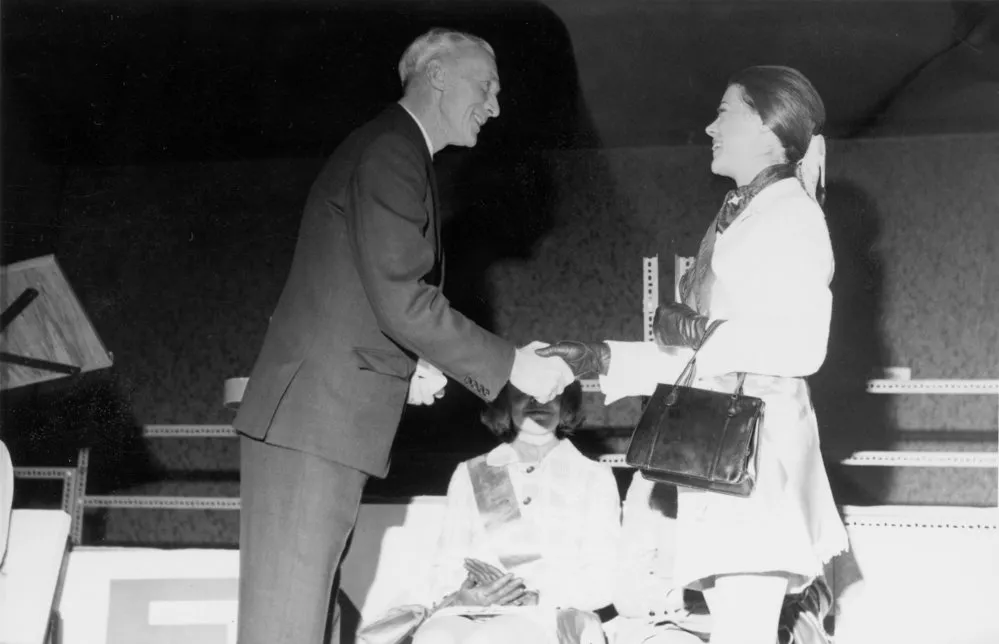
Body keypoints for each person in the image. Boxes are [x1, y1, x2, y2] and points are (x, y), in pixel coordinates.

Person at [233, 29, 574, 644]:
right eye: (486, 87)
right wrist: (513, 367)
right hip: (313, 426)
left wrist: (405, 368)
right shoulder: (394, 150)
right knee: (287, 629)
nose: (495, 106)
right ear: (438, 74)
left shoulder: (392, 150)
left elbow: (361, 290)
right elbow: (400, 294)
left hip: (320, 424)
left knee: (308, 625)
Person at [538, 66, 849, 644]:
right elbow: (698, 358)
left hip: (759, 468)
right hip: (721, 459)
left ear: (766, 127)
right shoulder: (737, 216)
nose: (709, 126)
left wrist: (703, 329)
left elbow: (804, 345)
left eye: (724, 112)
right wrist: (600, 359)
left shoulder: (794, 216)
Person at [409, 381, 621, 644]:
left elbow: (605, 577)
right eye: (523, 394)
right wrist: (464, 596)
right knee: (433, 637)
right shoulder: (469, 473)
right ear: (504, 404)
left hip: (553, 613)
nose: (537, 402)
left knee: (495, 638)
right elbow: (446, 564)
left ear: (565, 403)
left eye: (549, 393)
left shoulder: (594, 477)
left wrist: (538, 597)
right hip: (472, 610)